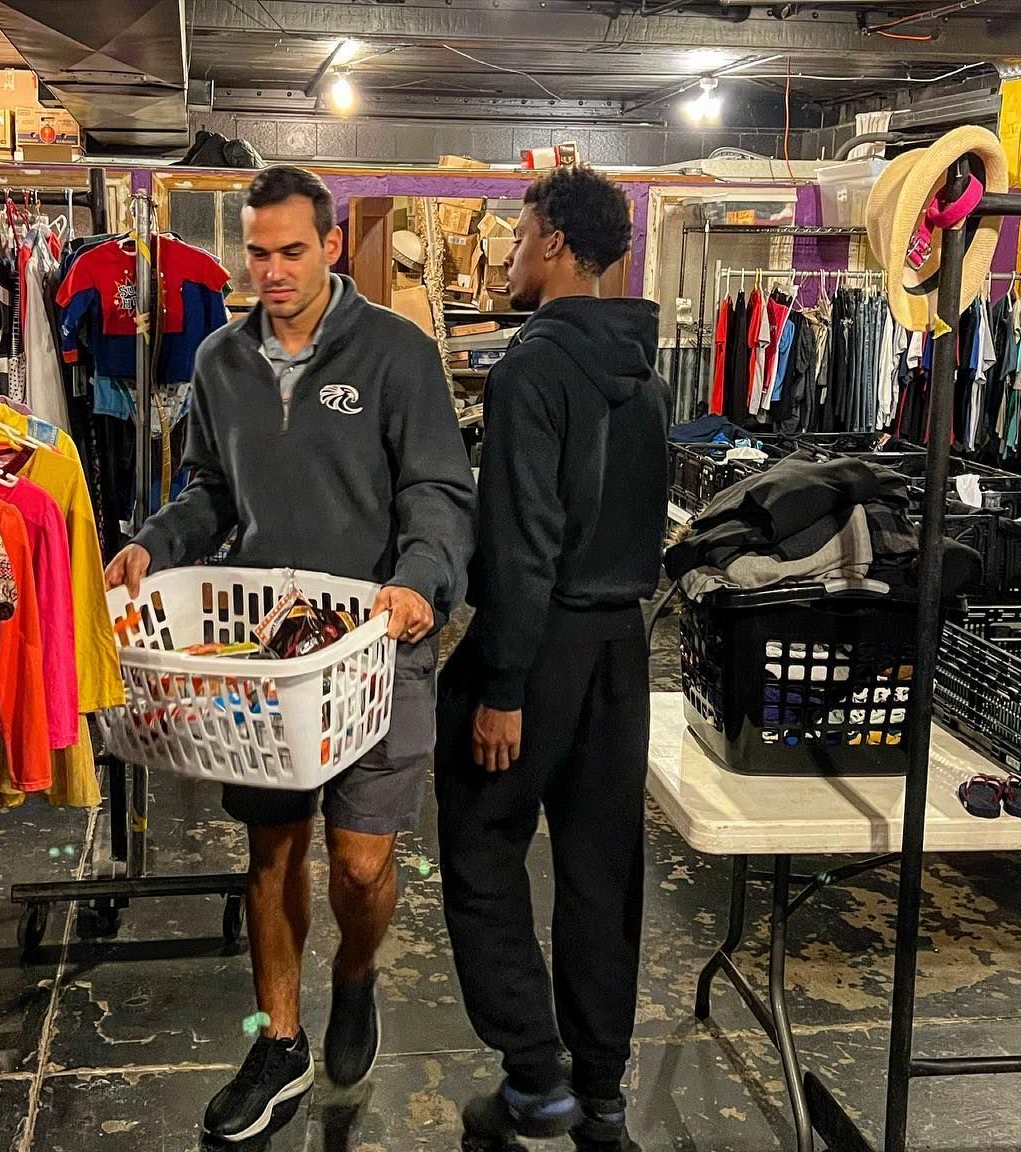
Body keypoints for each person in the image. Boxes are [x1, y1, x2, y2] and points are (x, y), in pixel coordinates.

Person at [105, 165, 476, 1144]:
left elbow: (439, 492)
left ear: (330, 246)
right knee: (271, 852)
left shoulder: (398, 354)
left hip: (377, 648)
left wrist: (422, 580)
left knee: (360, 864)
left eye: (292, 251)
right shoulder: (221, 361)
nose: (271, 271)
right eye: (258, 252)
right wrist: (156, 542)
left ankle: (355, 972)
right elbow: (208, 493)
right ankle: (278, 1042)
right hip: (268, 654)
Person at [435, 165, 671, 1151]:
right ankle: (602, 1095)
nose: (510, 254)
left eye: (522, 235)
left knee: (480, 847)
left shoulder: (531, 369)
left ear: (559, 245)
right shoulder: (647, 373)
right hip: (622, 649)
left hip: (541, 645)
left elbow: (524, 540)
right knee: (601, 870)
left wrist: (502, 683)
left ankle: (535, 1078)